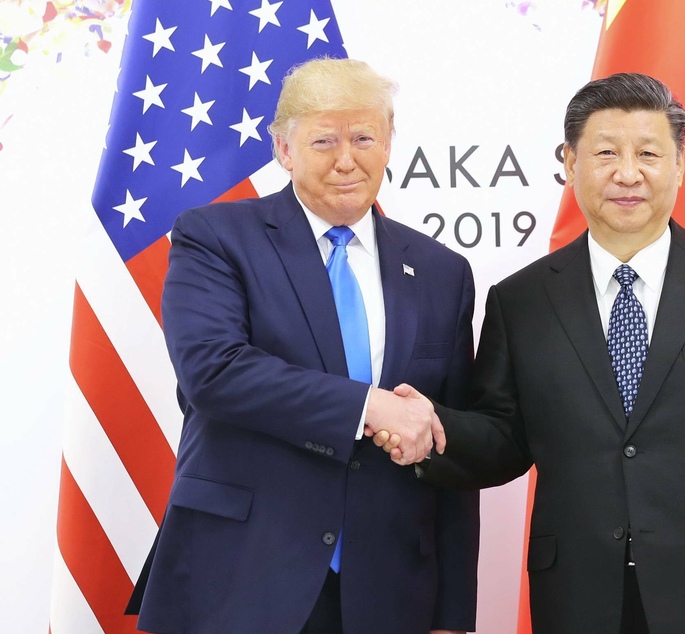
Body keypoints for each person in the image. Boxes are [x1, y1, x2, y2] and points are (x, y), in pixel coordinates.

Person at [383, 73, 685, 633]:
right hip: (579, 598)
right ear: (570, 164)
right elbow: (504, 440)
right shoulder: (520, 301)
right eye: (605, 153)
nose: (628, 173)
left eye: (648, 153)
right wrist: (434, 431)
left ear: (680, 163)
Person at [127, 58, 479, 634]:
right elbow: (213, 373)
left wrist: (452, 614)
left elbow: (447, 441)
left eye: (364, 137)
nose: (347, 159)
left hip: (389, 591)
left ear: (389, 142)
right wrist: (372, 406)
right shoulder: (215, 237)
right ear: (284, 149)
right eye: (324, 141)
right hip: (242, 577)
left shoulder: (442, 271)